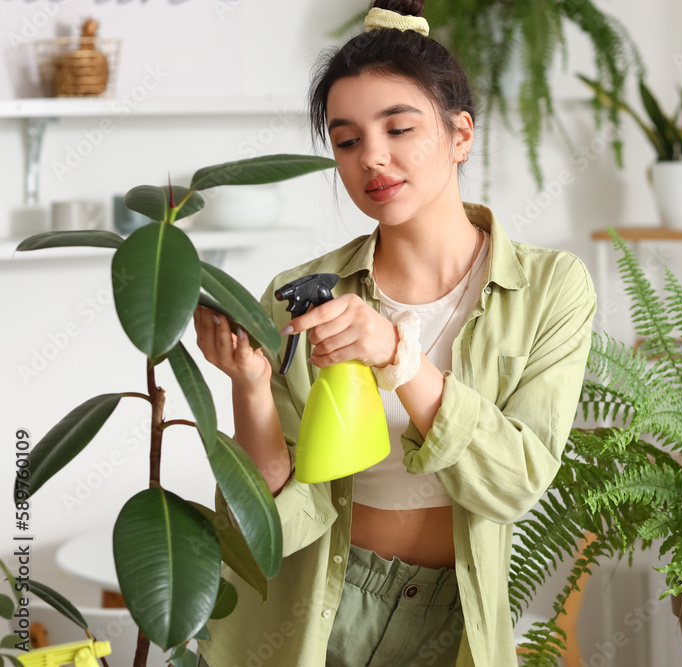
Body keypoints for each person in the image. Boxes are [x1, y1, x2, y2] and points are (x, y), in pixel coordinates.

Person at [193, 1, 596, 665]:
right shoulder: (301, 295)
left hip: (456, 619)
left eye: (399, 128)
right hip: (312, 612)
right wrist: (253, 388)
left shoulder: (551, 287)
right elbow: (272, 530)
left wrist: (398, 357)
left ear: (460, 134)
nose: (372, 158)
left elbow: (514, 481)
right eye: (347, 140)